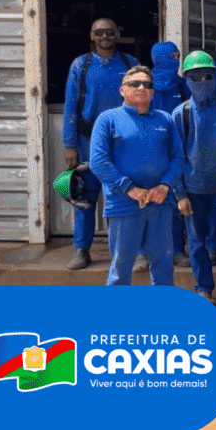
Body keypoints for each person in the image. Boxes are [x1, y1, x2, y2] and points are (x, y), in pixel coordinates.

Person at [89, 65, 183, 286]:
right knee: (122, 265)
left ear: (152, 91)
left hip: (159, 202)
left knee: (163, 261)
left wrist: (166, 186)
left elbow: (178, 157)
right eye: (135, 84)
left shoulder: (165, 120)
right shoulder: (108, 119)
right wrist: (129, 188)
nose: (142, 87)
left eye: (147, 84)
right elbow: (98, 161)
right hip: (123, 203)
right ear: (123, 90)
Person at [62, 17, 139, 270]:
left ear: (117, 34)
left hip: (123, 142)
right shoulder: (81, 66)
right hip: (87, 142)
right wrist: (69, 144)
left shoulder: (130, 64)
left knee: (127, 193)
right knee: (85, 194)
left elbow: (142, 102)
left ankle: (134, 251)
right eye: (99, 33)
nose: (105, 36)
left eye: (110, 32)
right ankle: (81, 250)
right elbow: (71, 106)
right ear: (92, 36)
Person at [172, 51, 216, 301]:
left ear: (215, 77)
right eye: (195, 77)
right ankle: (203, 288)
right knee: (196, 243)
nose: (202, 82)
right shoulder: (180, 114)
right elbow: (176, 157)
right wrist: (180, 194)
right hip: (193, 190)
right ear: (187, 80)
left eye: (207, 76)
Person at [148, 40, 189, 268]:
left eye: (177, 56)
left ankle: (176, 250)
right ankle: (145, 252)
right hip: (149, 148)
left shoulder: (181, 85)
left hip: (175, 148)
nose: (175, 61)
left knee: (174, 199)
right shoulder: (145, 83)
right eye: (171, 56)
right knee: (146, 201)